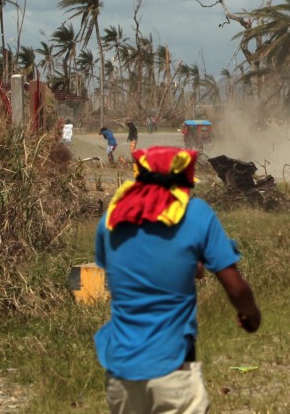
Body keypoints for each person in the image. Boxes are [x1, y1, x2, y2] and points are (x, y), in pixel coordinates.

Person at [94, 146, 261, 412]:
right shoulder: (195, 214)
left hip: (121, 372)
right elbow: (236, 288)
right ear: (183, 181)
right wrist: (251, 314)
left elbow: (136, 262)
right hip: (173, 368)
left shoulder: (110, 220)